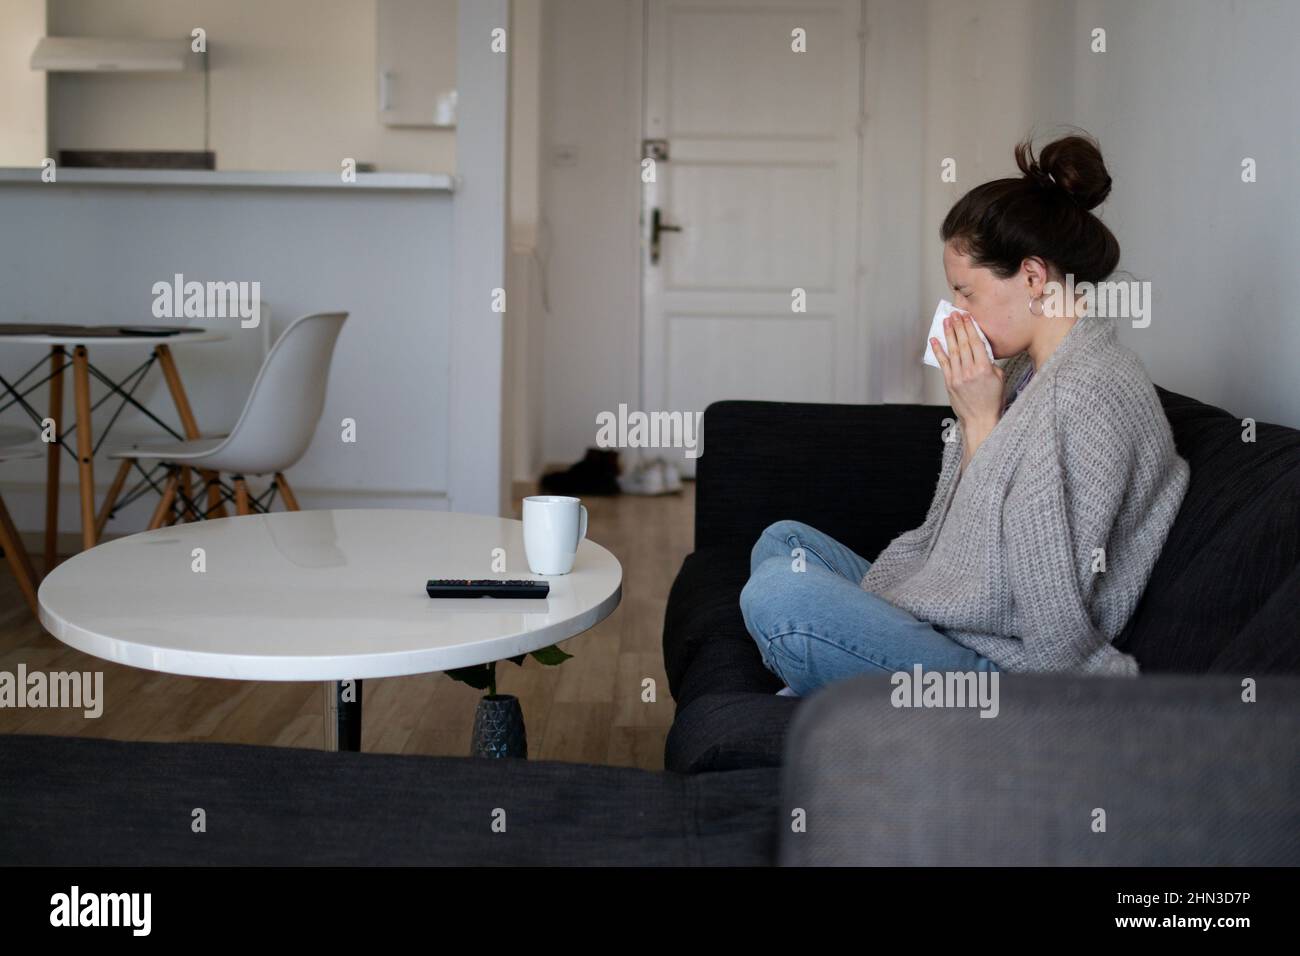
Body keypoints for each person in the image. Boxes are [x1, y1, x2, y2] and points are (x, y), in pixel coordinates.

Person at [740, 132, 1190, 697]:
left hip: (1009, 670)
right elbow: (957, 545)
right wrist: (979, 417)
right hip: (958, 622)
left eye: (966, 292)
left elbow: (1040, 599)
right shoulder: (1031, 369)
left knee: (779, 596)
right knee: (785, 543)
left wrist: (980, 424)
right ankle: (832, 673)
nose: (957, 312)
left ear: (1031, 277)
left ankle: (825, 683)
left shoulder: (1092, 392)